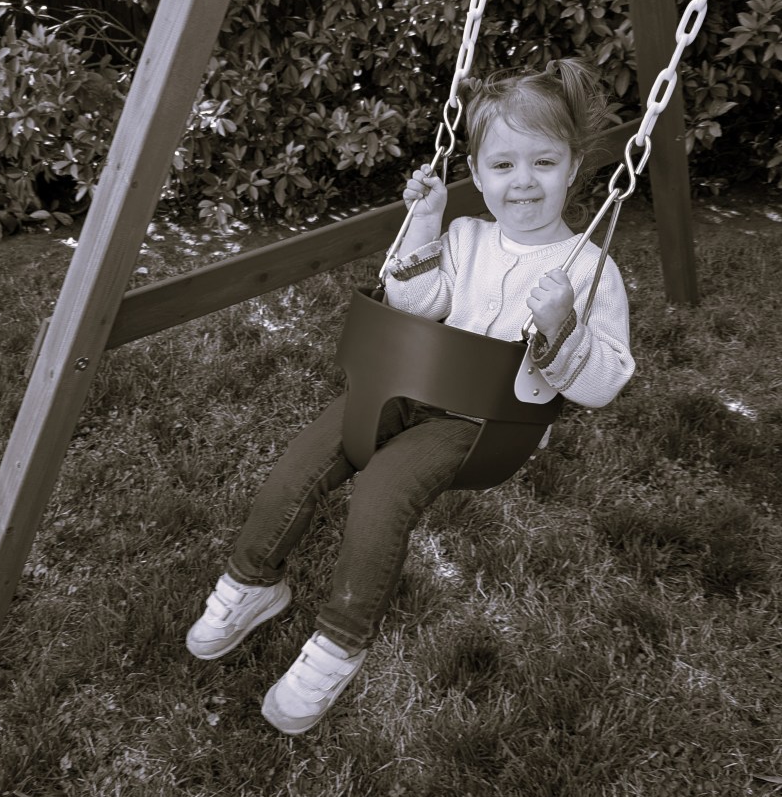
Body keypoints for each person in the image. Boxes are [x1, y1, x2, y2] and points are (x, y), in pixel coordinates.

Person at [186, 58, 635, 735]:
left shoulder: (591, 270)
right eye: (503, 165)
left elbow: (605, 384)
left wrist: (560, 328)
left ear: (572, 168)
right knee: (307, 456)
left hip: (487, 421)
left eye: (543, 162)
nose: (523, 181)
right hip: (407, 387)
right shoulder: (466, 236)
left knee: (383, 488)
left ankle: (338, 643)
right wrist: (424, 227)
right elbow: (415, 305)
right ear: (476, 172)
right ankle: (251, 582)